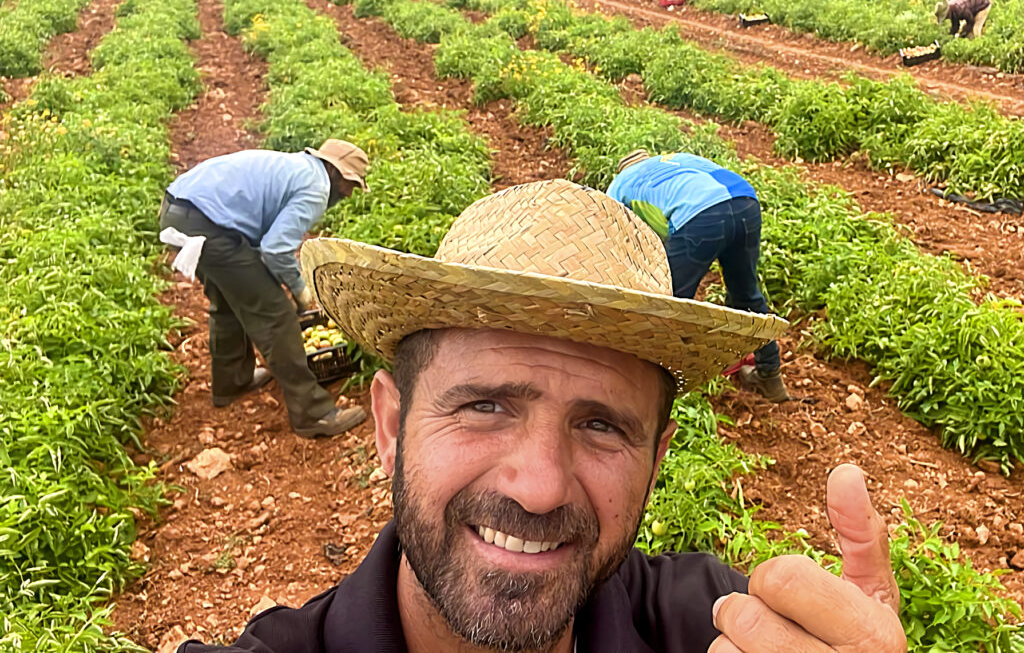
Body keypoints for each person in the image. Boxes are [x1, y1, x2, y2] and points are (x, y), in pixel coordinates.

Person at [179, 179, 906, 652]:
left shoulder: (713, 624)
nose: (539, 487)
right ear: (391, 426)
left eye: (601, 426)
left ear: (655, 461)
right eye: (485, 405)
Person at [158, 140, 370, 438]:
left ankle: (232, 381)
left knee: (230, 300)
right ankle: (314, 414)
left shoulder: (297, 168)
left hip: (179, 208)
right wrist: (299, 291)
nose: (348, 194)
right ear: (336, 173)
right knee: (275, 315)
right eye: (350, 184)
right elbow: (275, 250)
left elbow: (261, 236)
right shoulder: (316, 188)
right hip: (206, 223)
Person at [606, 150, 789, 403]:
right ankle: (770, 374)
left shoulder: (619, 185)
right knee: (745, 292)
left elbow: (616, 239)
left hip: (701, 215)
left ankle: (661, 385)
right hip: (745, 201)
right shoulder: (677, 160)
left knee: (670, 303)